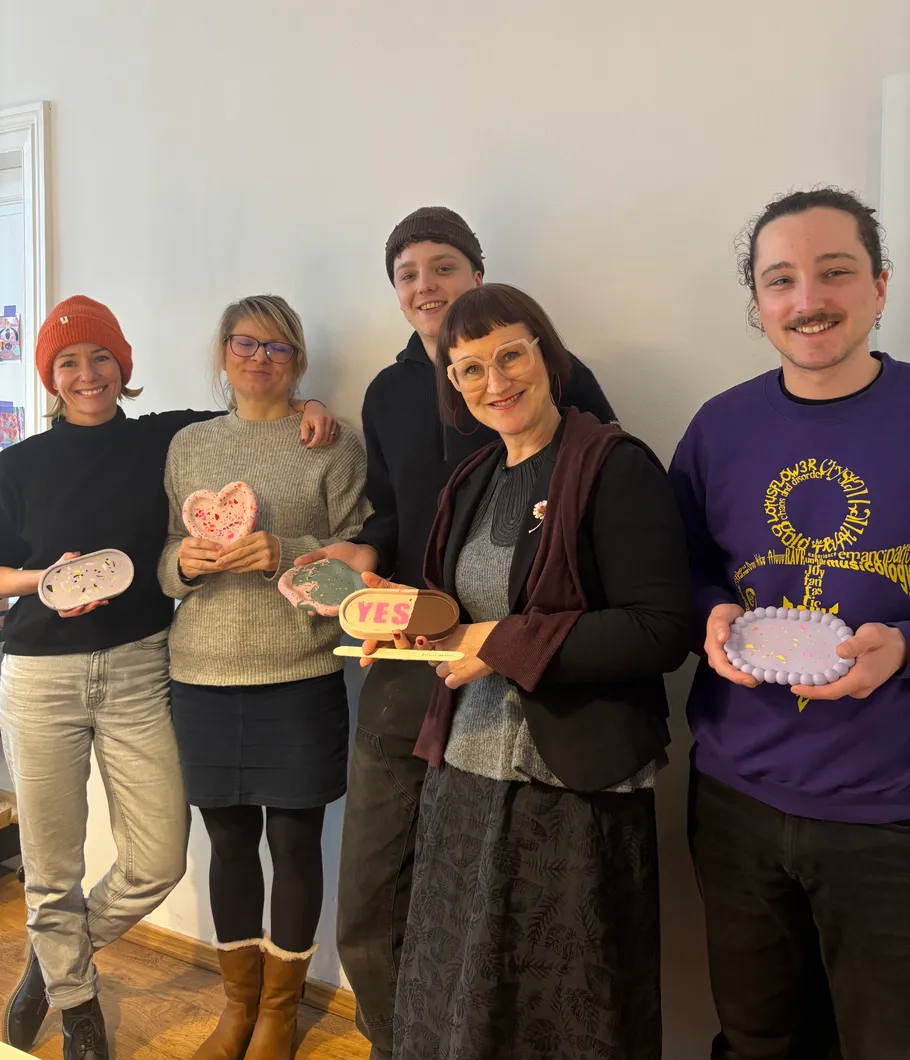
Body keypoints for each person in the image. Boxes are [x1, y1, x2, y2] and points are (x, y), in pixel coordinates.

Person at [296, 207, 618, 1057]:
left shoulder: (553, 371)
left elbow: (601, 491)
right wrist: (357, 552)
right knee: (368, 902)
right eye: (406, 274)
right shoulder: (388, 391)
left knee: (481, 901)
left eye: (442, 266)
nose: (424, 286)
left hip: (525, 671)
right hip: (407, 656)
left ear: (477, 274)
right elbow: (393, 515)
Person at [359, 282, 690, 1058]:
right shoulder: (472, 480)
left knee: (557, 1017)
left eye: (510, 355)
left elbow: (658, 631)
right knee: (462, 1006)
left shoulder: (614, 466)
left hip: (571, 787)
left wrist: (503, 644)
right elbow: (461, 614)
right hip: (467, 775)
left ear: (547, 353)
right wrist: (405, 618)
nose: (494, 382)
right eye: (469, 369)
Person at [0, 295, 336, 1059]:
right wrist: (36, 581)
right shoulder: (14, 465)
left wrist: (309, 402)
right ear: (51, 376)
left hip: (141, 666)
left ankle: (54, 957)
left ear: (124, 365)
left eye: (100, 358)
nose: (87, 374)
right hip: (40, 676)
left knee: (157, 860)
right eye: (68, 362)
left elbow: (253, 408)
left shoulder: (167, 439)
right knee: (52, 866)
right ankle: (79, 1011)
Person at [669, 188, 910, 1060]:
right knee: (760, 1038)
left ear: (881, 286)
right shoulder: (717, 429)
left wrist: (907, 648)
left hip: (889, 810)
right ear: (760, 305)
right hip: (737, 795)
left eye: (835, 271)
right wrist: (711, 613)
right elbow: (683, 569)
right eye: (781, 281)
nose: (808, 299)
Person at [158, 294, 369, 1060]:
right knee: (228, 840)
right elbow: (162, 554)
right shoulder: (187, 446)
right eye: (245, 345)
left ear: (299, 360)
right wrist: (181, 563)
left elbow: (358, 553)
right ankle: (237, 1003)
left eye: (278, 348)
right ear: (223, 355)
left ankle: (281, 1009)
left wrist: (287, 550)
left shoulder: (332, 443)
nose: (260, 359)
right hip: (204, 674)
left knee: (296, 838)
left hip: (299, 669)